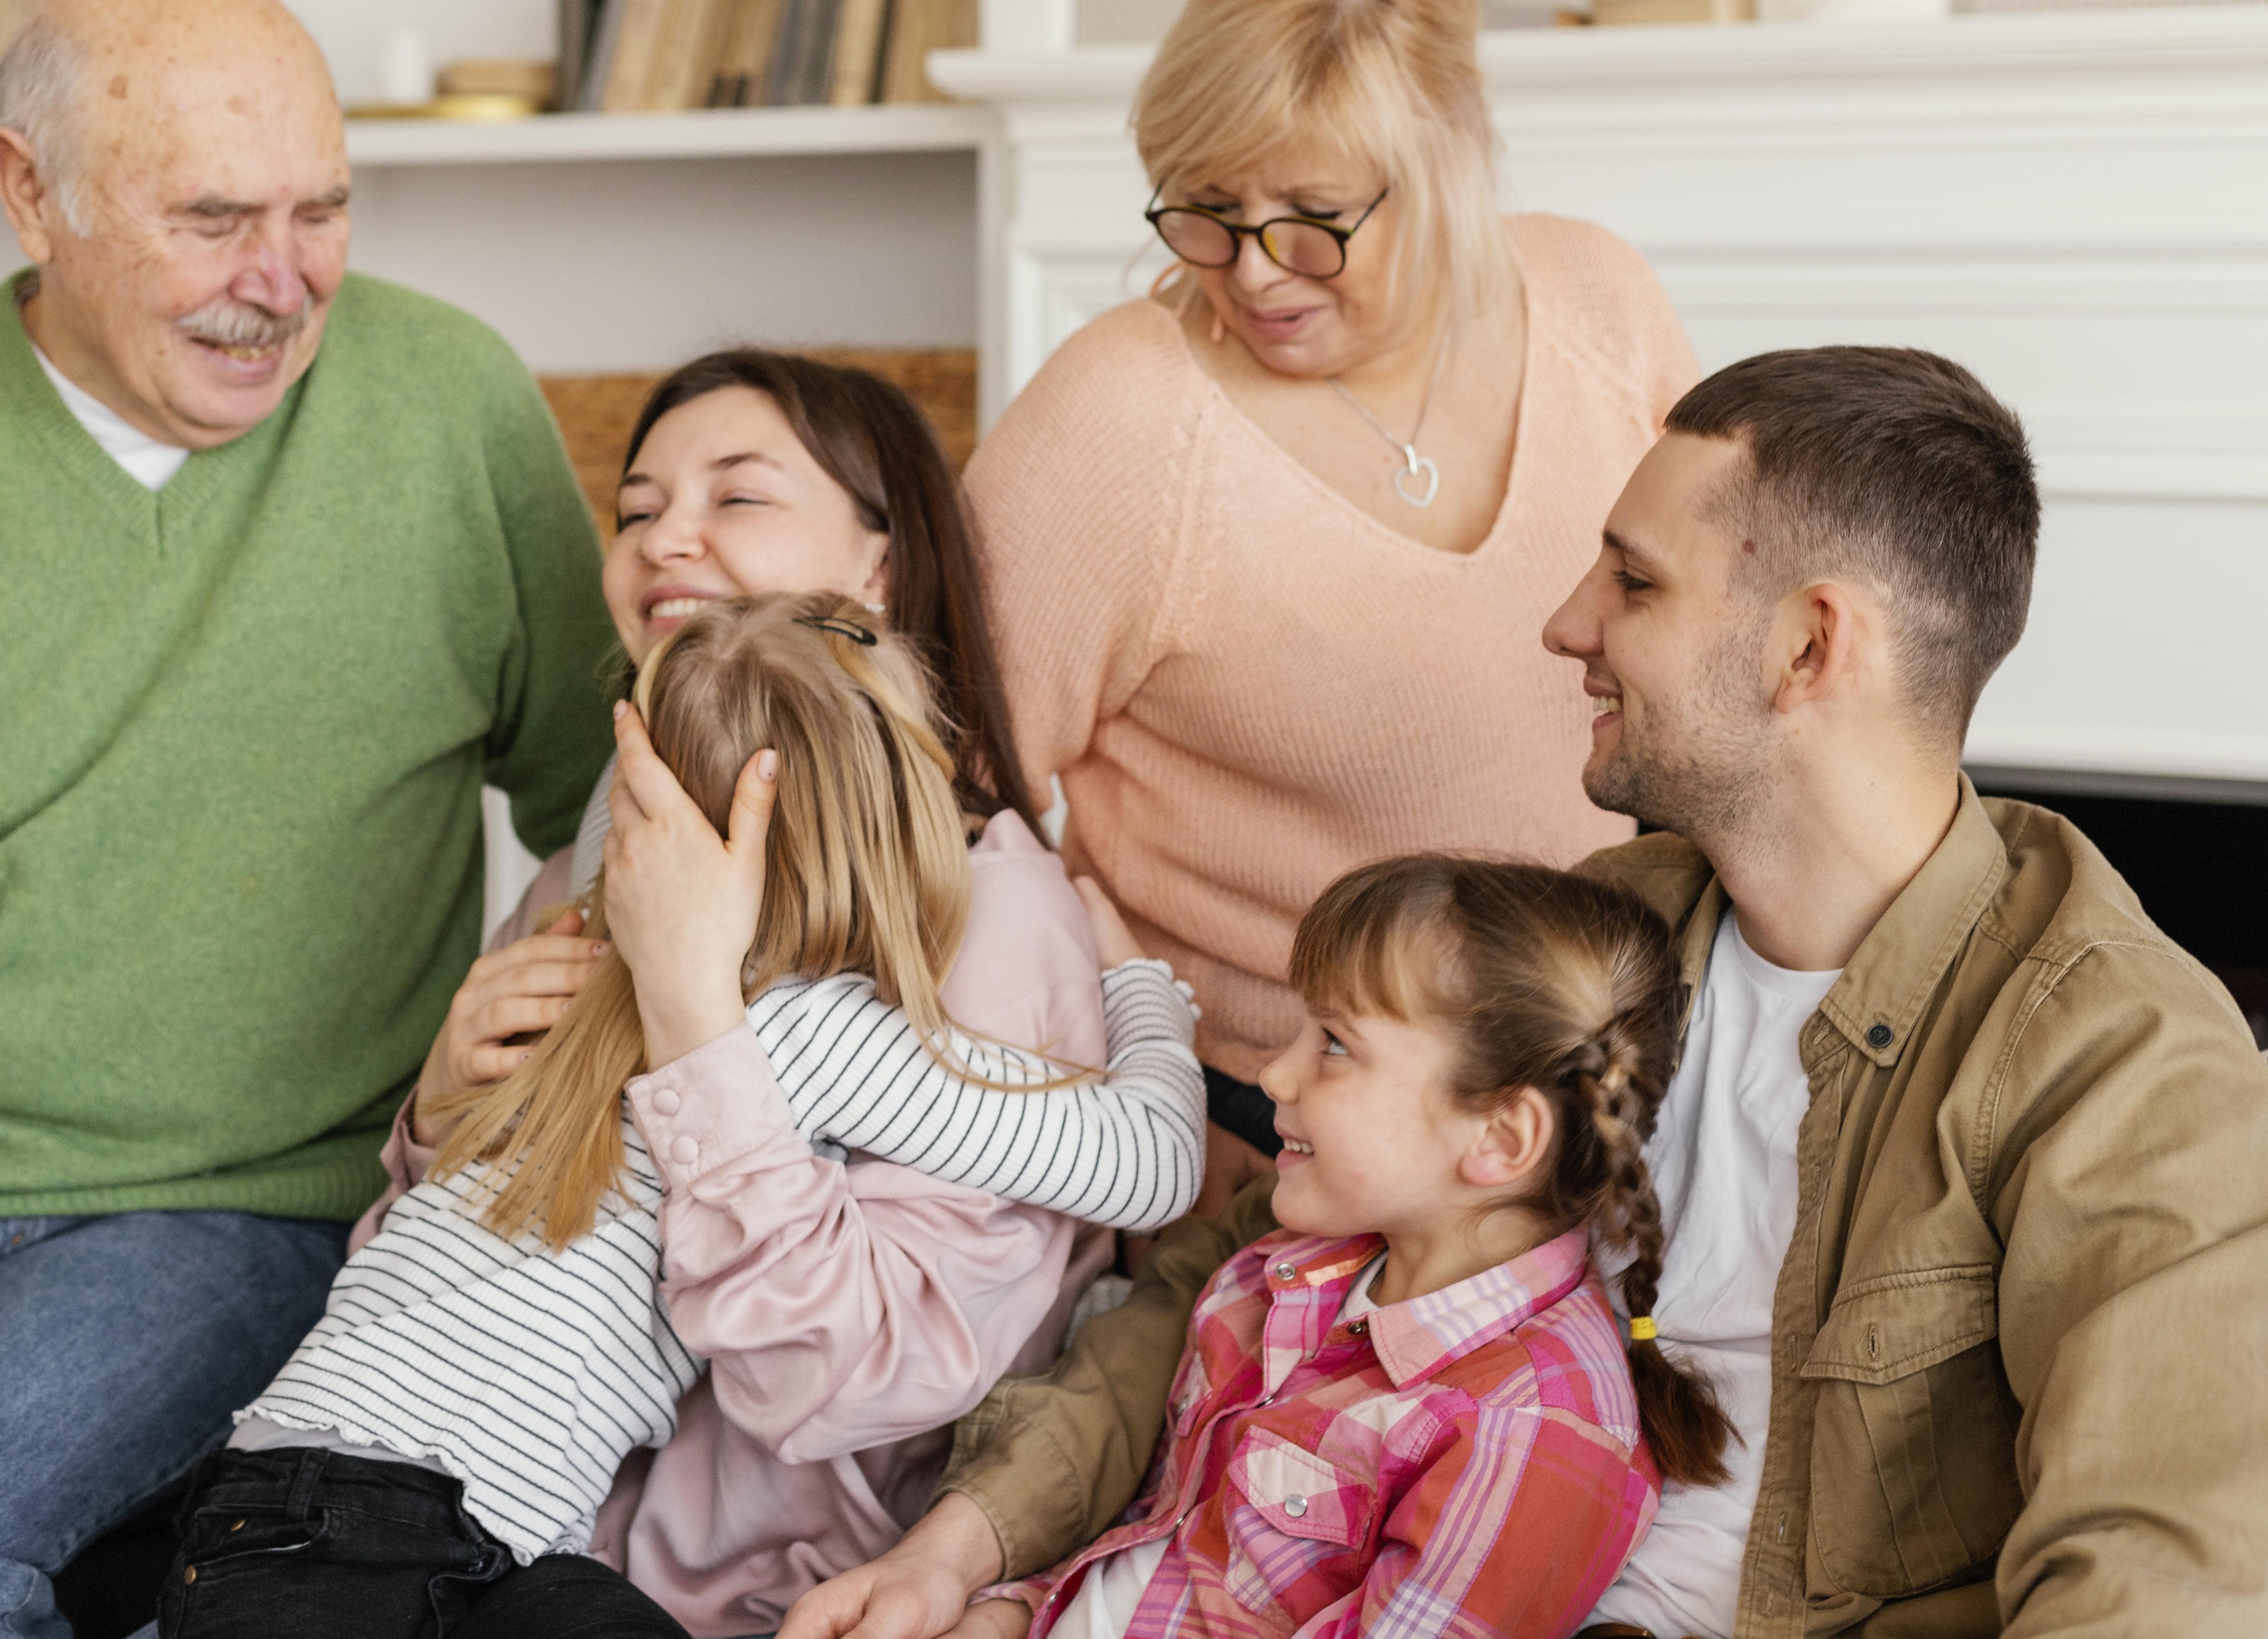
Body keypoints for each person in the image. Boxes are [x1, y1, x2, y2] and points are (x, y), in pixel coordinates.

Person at [787, 345, 2268, 1639]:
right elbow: (1228, 1280)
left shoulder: (2118, 1059)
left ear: (1809, 645)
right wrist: (961, 1544)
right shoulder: (1604, 929)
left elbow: (2161, 1572)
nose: (1565, 624)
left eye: (1630, 579)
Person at [0, 0, 617, 1638]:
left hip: (226, 1212)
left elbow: (606, 795)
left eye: (323, 210)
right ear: (31, 194)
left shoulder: (451, 408)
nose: (282, 281)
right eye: (214, 218)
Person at [158, 593, 1206, 1639]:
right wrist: (1141, 986)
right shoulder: (808, 1031)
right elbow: (1150, 1164)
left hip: (382, 1522)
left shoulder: (579, 981)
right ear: (896, 822)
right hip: (374, 1522)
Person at [375, 351, 1155, 1639]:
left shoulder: (990, 914)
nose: (662, 537)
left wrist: (698, 1030)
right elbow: (430, 1294)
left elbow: (863, 1378)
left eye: (736, 498)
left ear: (880, 567)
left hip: (759, 1606)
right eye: (634, 511)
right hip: (485, 1551)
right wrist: (440, 1114)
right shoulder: (588, 869)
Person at [965, 0, 1699, 1211]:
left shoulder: (1599, 306)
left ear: (1449, 162)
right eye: (1203, 207)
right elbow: (939, 800)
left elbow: (1712, 659)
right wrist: (1142, 1090)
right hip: (1274, 1128)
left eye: (1312, 214)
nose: (1250, 272)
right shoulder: (1117, 424)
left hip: (1578, 1097)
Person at [972, 855, 1727, 1639]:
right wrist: (1007, 1612)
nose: (1275, 1074)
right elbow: (1160, 1543)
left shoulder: (1524, 1434)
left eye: (1333, 1044)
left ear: (1501, 1138)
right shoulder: (1293, 1265)